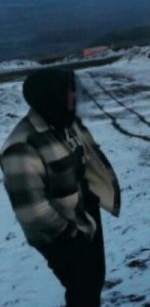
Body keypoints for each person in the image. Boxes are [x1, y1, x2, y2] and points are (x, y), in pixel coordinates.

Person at [1, 69, 121, 307]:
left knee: (93, 284)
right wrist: (72, 234)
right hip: (61, 235)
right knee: (81, 291)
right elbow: (33, 214)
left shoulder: (65, 122)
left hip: (85, 217)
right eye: (70, 89)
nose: (76, 95)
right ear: (51, 95)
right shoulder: (22, 146)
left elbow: (89, 158)